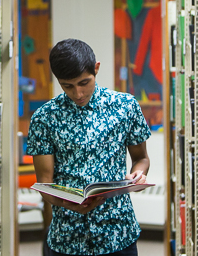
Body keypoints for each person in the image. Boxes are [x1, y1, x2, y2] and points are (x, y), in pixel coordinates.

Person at [27, 39, 151, 256]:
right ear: (58, 80)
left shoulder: (126, 106)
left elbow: (141, 158)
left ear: (97, 69)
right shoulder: (44, 118)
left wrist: (139, 174)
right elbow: (45, 183)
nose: (78, 94)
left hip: (117, 232)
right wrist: (69, 204)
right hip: (67, 237)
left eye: (84, 83)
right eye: (68, 86)